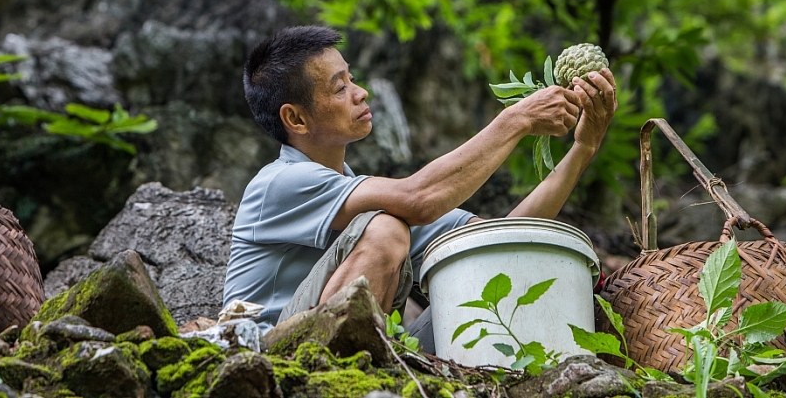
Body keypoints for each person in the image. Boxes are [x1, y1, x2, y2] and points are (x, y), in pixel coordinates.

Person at [222, 25, 617, 349]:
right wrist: (515, 120)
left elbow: (500, 244)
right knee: (387, 228)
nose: (360, 94)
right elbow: (418, 199)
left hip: (373, 347)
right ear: (296, 119)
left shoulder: (356, 191)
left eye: (352, 79)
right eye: (339, 88)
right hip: (276, 354)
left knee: (488, 276)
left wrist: (584, 148)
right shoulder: (280, 183)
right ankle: (332, 372)